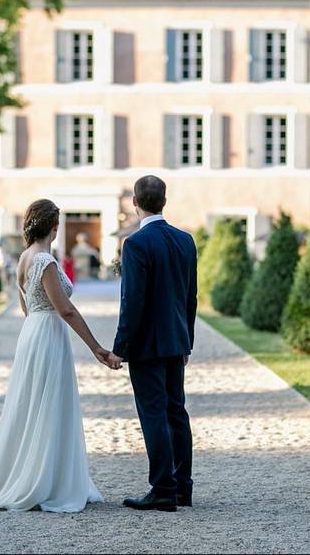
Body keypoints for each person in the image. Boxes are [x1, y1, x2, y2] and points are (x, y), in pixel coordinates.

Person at [0, 199, 119, 512]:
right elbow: (66, 309)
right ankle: (46, 481)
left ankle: (39, 473)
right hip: (48, 335)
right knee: (49, 404)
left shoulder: (24, 258)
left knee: (34, 403)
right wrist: (97, 348)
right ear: (54, 227)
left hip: (33, 332)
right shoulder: (45, 260)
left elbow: (26, 307)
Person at [113, 175, 197, 512]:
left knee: (153, 414)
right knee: (176, 411)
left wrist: (120, 348)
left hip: (147, 346)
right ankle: (182, 487)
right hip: (176, 341)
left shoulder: (135, 244)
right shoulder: (185, 240)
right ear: (164, 200)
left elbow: (132, 302)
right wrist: (186, 341)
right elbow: (190, 297)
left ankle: (163, 488)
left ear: (135, 201)